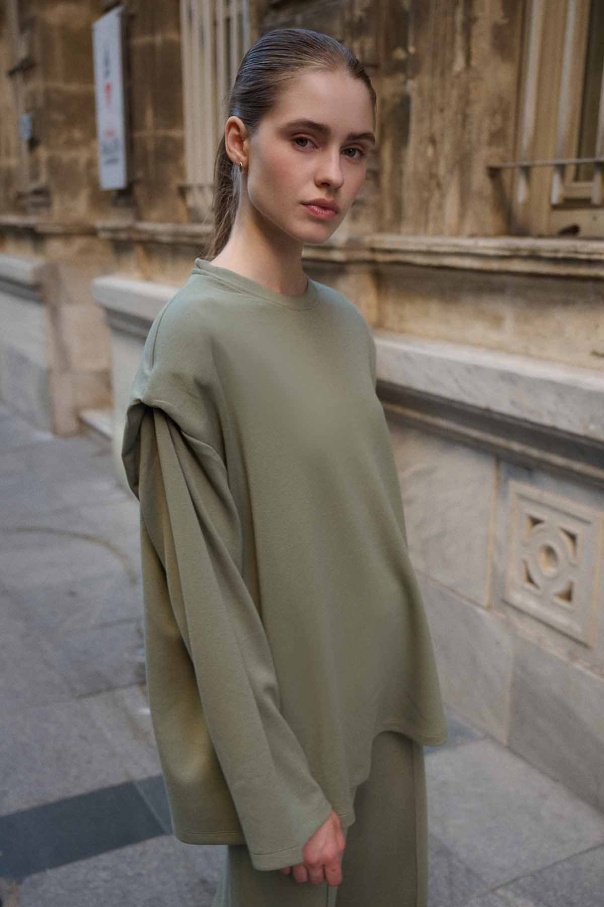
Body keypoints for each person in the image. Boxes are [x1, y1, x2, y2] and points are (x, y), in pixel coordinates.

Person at [121, 26, 447, 907]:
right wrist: (281, 795)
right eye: (304, 140)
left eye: (355, 150)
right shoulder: (193, 340)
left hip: (379, 709)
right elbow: (205, 602)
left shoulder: (344, 324)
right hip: (293, 736)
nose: (333, 174)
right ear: (240, 141)